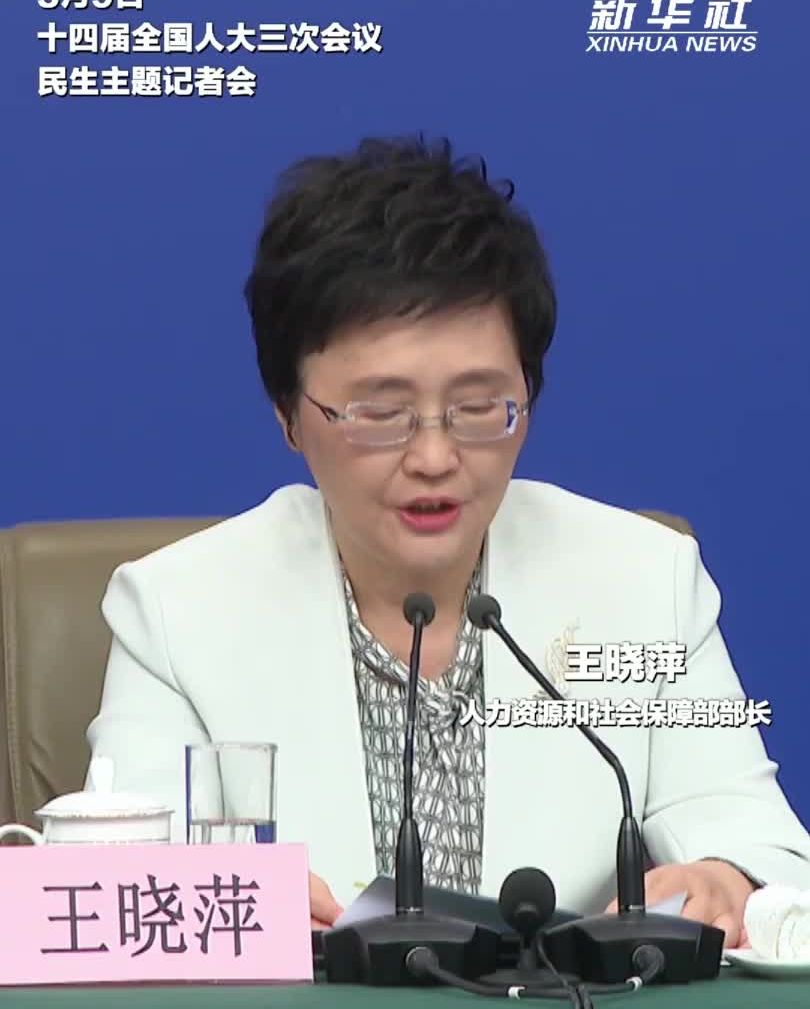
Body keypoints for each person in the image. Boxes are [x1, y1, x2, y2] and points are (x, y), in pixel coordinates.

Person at [86, 135, 810, 946]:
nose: (434, 456)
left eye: (477, 407)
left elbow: (759, 843)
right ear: (289, 414)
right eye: (380, 412)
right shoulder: (177, 611)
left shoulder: (646, 581)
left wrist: (727, 880)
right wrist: (230, 912)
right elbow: (117, 887)